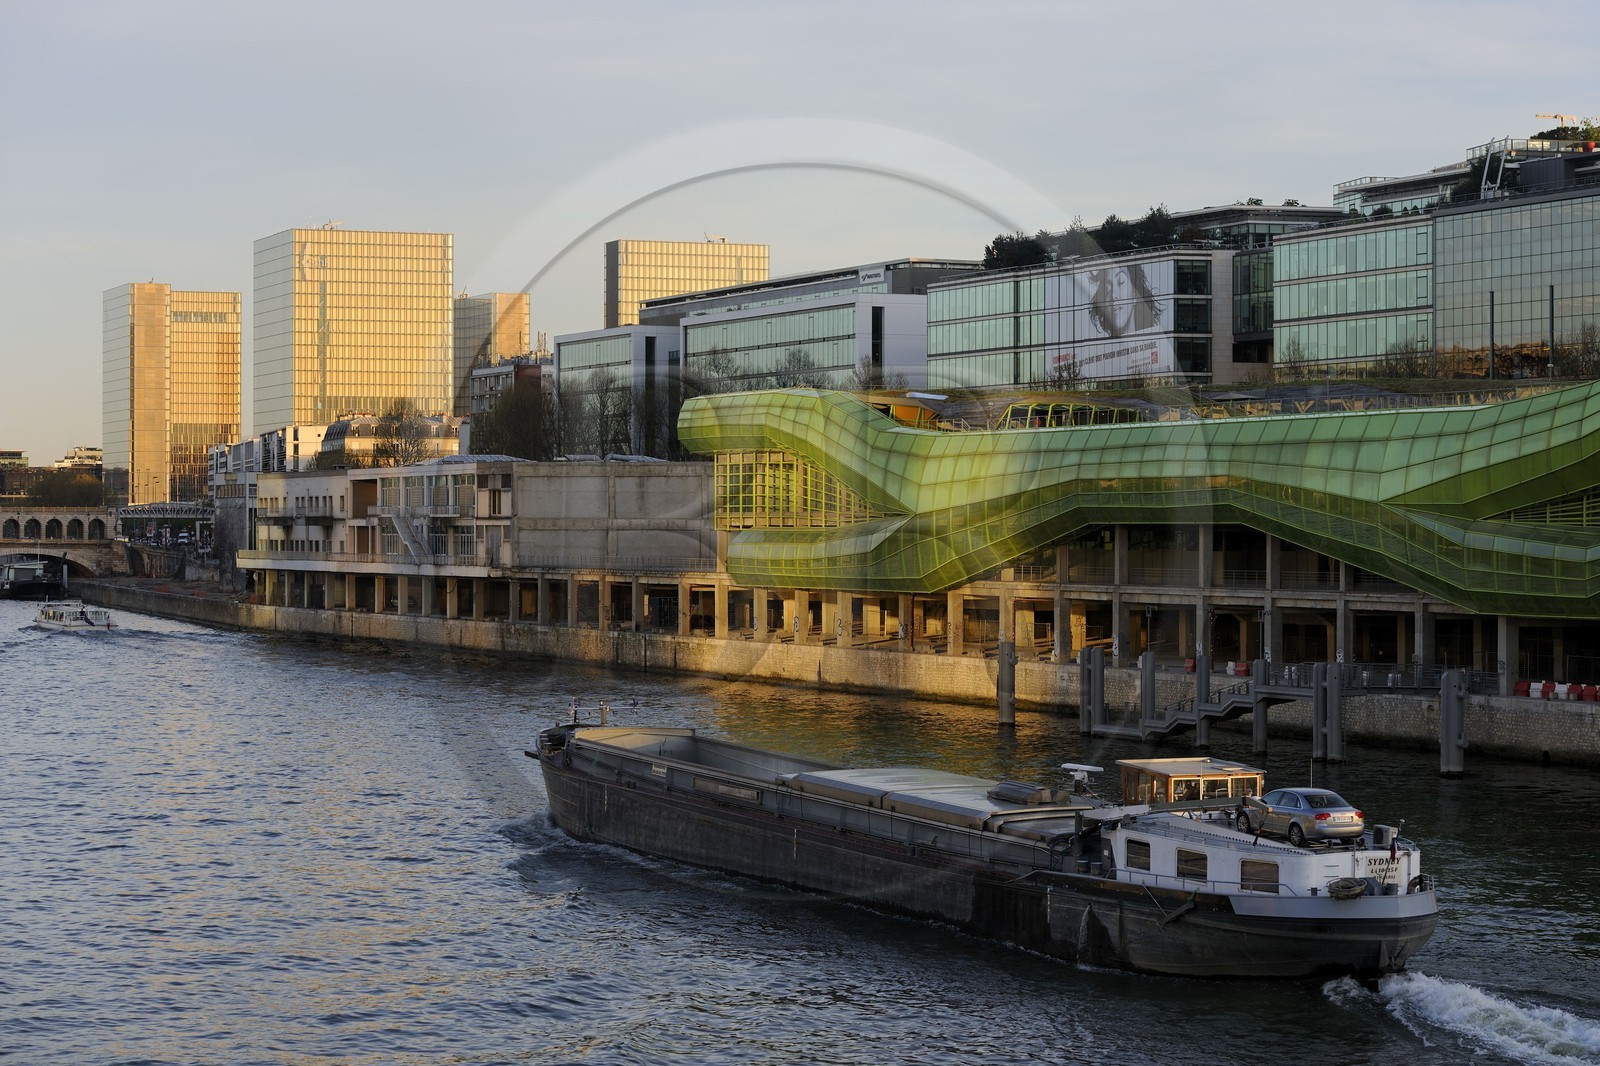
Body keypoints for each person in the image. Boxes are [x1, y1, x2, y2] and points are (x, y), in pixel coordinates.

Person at [1086, 263, 1162, 337]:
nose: (1113, 295)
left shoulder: (1155, 342)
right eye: (1107, 289)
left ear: (1134, 293)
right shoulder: (1103, 348)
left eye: (1121, 282)